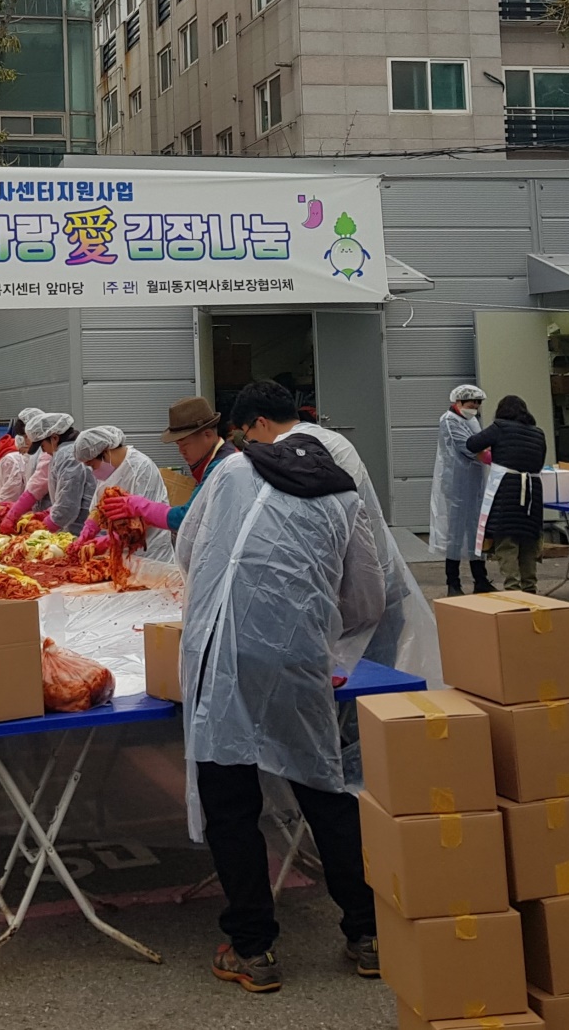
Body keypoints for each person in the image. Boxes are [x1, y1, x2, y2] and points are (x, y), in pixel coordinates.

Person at [176, 420, 385, 992]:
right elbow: (368, 595)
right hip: (297, 655)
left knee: (231, 800)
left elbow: (189, 548)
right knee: (324, 790)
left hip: (221, 650)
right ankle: (367, 934)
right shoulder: (343, 495)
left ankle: (254, 949)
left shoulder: (233, 471)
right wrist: (328, 637)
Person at [232, 381, 439, 680]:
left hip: (359, 592)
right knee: (376, 690)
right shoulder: (326, 439)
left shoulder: (296, 454)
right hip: (375, 581)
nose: (251, 446)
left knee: (362, 693)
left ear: (260, 423)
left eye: (248, 436)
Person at [100, 396, 239, 535]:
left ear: (207, 435)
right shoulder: (218, 460)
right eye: (178, 445)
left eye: (185, 444)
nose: (181, 451)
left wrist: (140, 506)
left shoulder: (221, 466)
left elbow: (186, 517)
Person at [466, 396, 548, 594]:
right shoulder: (538, 433)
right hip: (533, 492)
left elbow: (472, 443)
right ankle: (530, 588)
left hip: (507, 491)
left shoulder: (500, 427)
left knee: (507, 541)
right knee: (528, 541)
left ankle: (513, 588)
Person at [69, 425, 175, 560]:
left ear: (105, 453)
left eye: (91, 465)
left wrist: (107, 542)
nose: (92, 470)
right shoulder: (107, 472)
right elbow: (99, 508)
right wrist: (87, 532)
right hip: (121, 552)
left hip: (151, 553)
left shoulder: (141, 468)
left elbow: (145, 520)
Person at [430, 385, 491, 597]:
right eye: (470, 402)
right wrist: (496, 458)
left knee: (476, 531)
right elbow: (469, 447)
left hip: (474, 482)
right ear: (458, 402)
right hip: (456, 482)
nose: (474, 405)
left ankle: (480, 579)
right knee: (455, 533)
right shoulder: (448, 420)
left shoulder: (472, 420)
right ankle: (453, 582)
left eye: (477, 402)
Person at [0, 408, 60, 533]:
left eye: (27, 436)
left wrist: (13, 514)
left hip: (59, 519)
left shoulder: (55, 454)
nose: (26, 440)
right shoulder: (38, 452)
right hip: (50, 514)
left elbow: (37, 485)